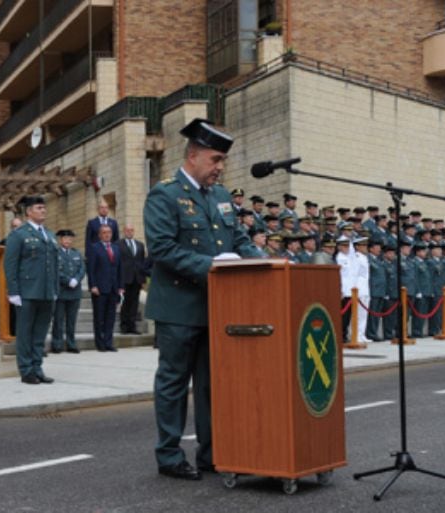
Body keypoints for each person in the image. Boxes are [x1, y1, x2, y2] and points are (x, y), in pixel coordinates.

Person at [144, 117, 257, 481]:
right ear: (193, 156)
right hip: (178, 308)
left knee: (212, 383)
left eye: (222, 161)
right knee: (174, 381)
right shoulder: (165, 193)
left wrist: (266, 262)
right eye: (215, 160)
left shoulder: (221, 196)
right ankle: (169, 455)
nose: (220, 168)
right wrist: (212, 266)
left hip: (217, 308)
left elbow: (238, 240)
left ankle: (211, 453)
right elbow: (161, 248)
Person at [4, 196, 58, 385]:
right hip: (27, 292)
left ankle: (37, 367)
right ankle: (26, 370)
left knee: (40, 333)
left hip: (46, 291)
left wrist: (55, 289)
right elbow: (10, 264)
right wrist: (13, 292)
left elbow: (54, 264)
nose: (43, 210)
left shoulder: (49, 235)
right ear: (28, 212)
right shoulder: (18, 235)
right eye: (39, 207)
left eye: (44, 207)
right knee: (25, 332)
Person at [87, 224, 123, 352]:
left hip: (113, 288)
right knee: (99, 317)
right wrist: (93, 285)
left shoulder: (116, 248)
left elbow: (119, 269)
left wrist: (120, 286)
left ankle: (109, 342)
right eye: (104, 232)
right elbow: (91, 269)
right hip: (100, 288)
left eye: (109, 232)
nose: (107, 234)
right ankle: (100, 343)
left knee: (110, 317)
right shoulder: (94, 248)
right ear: (100, 235)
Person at [50, 229, 85, 354]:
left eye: (70, 239)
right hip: (61, 291)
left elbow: (82, 268)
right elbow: (55, 271)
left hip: (74, 291)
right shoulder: (56, 253)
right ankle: (57, 344)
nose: (68, 241)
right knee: (58, 320)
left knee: (71, 320)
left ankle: (71, 343)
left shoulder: (76, 253)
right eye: (65, 239)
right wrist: (67, 280)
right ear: (61, 240)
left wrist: (76, 279)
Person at [118, 224, 150, 334]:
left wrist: (143, 279)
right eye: (127, 230)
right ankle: (124, 326)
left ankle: (132, 326)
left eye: (131, 230)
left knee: (135, 303)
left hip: (137, 278)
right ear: (124, 231)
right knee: (125, 302)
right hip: (125, 278)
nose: (129, 232)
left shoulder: (140, 245)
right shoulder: (118, 244)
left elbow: (142, 262)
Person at [366, 240, 386, 341]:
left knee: (377, 314)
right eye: (376, 247)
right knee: (372, 314)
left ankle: (374, 332)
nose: (379, 249)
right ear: (370, 249)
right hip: (373, 290)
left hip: (380, 290)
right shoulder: (368, 259)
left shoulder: (378, 260)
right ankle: (370, 333)